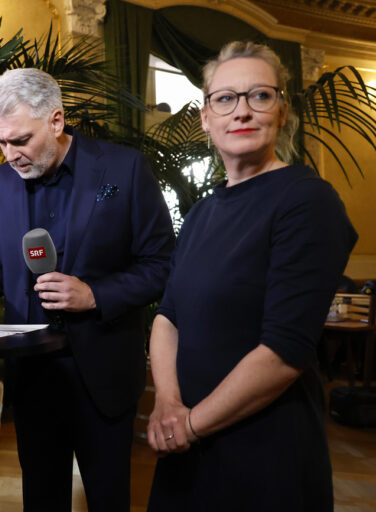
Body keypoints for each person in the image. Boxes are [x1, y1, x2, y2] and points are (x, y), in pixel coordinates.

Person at [0, 68, 175, 510]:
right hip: (33, 374)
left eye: (20, 140)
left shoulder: (124, 169)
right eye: (0, 142)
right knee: (41, 498)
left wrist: (95, 295)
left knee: (108, 498)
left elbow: (162, 265)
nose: (9, 155)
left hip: (104, 372)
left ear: (56, 121)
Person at [146, 41, 358, 511]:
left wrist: (189, 424)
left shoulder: (307, 201)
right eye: (225, 98)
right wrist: (166, 403)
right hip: (187, 442)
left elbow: (284, 350)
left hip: (265, 451)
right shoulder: (201, 212)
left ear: (281, 111)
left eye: (259, 96)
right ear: (206, 117)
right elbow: (168, 316)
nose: (241, 111)